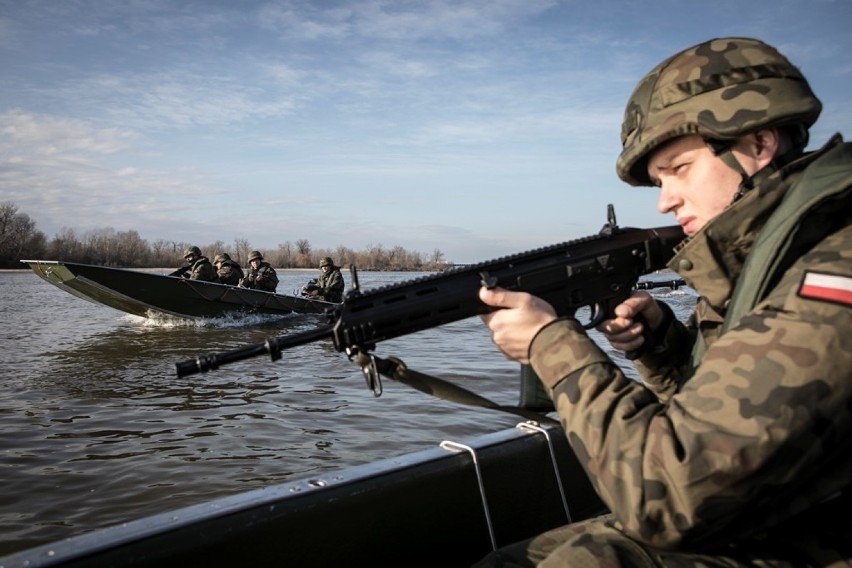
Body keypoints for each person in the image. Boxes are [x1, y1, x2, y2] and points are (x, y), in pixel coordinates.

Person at [476, 37, 852, 566]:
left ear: (759, 144)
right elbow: (719, 423)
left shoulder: (833, 266)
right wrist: (661, 347)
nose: (664, 200)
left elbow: (669, 497)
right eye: (658, 180)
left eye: (680, 168)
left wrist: (549, 343)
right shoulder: (765, 261)